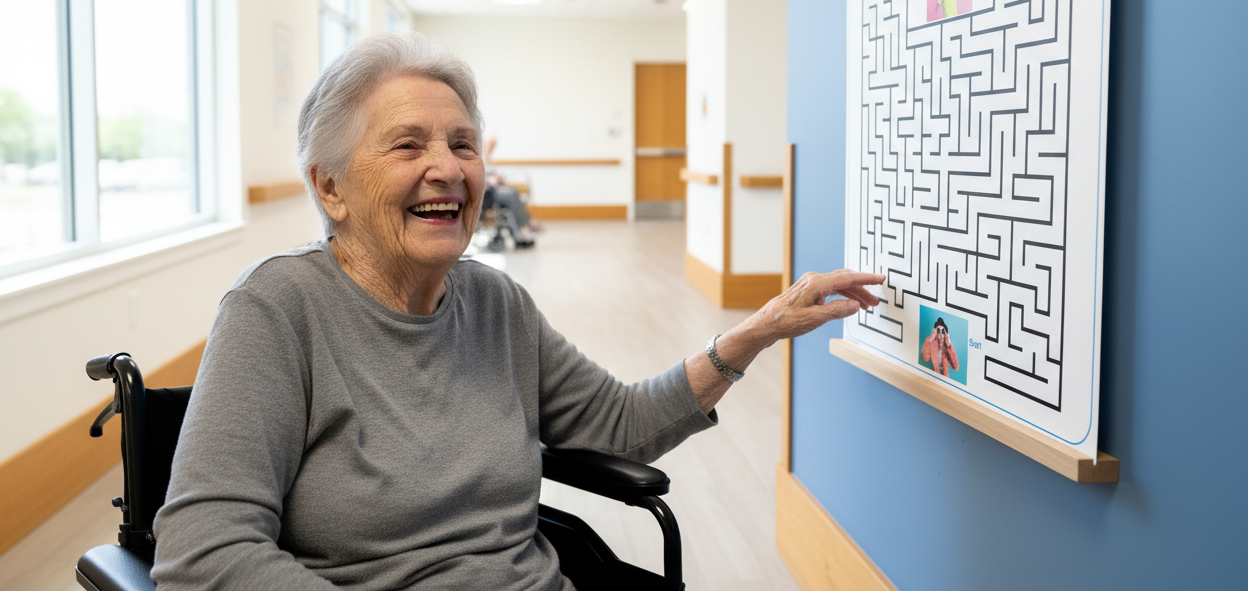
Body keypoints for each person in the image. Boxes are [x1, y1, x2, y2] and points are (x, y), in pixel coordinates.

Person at [150, 33, 885, 590]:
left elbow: (619, 424)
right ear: (331, 187)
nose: (447, 166)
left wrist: (750, 337)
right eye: (408, 145)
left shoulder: (496, 302)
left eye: (462, 143)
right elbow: (204, 548)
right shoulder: (277, 311)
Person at [482, 135, 542, 247]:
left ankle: (527, 224)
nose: (491, 147)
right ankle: (524, 226)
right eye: (490, 145)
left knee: (513, 190)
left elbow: (489, 174)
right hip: (487, 193)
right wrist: (491, 180)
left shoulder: (488, 158)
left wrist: (497, 177)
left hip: (493, 188)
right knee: (510, 194)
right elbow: (479, 177)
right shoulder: (480, 157)